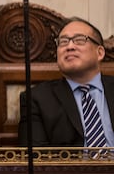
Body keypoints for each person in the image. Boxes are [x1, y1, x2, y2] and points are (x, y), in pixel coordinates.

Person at [18, 17, 114, 147]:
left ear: (100, 53)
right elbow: (36, 159)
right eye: (63, 42)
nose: (70, 47)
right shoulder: (37, 99)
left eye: (79, 40)